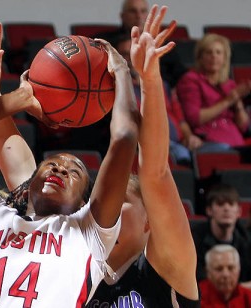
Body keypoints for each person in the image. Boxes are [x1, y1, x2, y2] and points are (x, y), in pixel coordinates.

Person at [0, 9, 139, 304]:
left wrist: (123, 72)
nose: (60, 169)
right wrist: (22, 96)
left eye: (74, 171)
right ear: (26, 186)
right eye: (51, 165)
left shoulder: (89, 234)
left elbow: (125, 137)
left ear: (85, 203)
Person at [84, 5, 200, 306]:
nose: (104, 208)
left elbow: (156, 172)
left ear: (150, 221)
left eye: (121, 200)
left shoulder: (167, 266)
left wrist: (148, 80)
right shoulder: (77, 275)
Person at [114, 33, 204, 165]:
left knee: (214, 153)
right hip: (149, 145)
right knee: (182, 156)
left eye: (135, 53)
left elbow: (180, 120)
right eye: (125, 54)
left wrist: (189, 137)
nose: (131, 58)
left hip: (178, 143)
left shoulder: (162, 84)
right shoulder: (118, 88)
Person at [176, 33, 251, 151]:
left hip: (236, 139)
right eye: (209, 52)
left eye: (218, 52)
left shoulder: (229, 84)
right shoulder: (190, 80)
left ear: (225, 58)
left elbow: (244, 127)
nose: (214, 56)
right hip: (209, 140)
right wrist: (228, 100)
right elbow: (194, 118)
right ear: (200, 57)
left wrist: (237, 103)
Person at [95, 0, 187, 88]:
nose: (138, 16)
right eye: (133, 11)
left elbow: (179, 76)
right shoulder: (106, 42)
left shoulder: (162, 44)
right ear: (122, 16)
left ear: (147, 15)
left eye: (143, 11)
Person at [191, 182, 251, 284]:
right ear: (209, 210)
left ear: (239, 212)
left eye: (231, 204)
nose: (226, 209)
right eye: (220, 204)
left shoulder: (247, 239)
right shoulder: (194, 239)